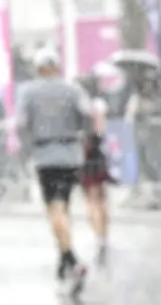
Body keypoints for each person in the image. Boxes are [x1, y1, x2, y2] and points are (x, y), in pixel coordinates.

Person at [17, 48, 91, 297]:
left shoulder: (28, 91)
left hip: (45, 155)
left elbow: (21, 123)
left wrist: (25, 148)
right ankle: (63, 259)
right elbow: (88, 115)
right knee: (64, 206)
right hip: (70, 154)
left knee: (55, 208)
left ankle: (71, 259)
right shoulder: (72, 90)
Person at [125, 70, 161, 209]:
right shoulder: (137, 99)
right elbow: (130, 117)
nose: (148, 87)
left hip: (157, 141)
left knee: (158, 167)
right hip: (143, 139)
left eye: (151, 83)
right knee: (144, 166)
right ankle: (143, 195)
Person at [78, 74, 112, 267]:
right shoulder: (98, 105)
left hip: (86, 154)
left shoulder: (81, 106)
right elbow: (101, 130)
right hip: (98, 153)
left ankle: (98, 233)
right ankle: (103, 232)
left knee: (91, 197)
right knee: (101, 195)